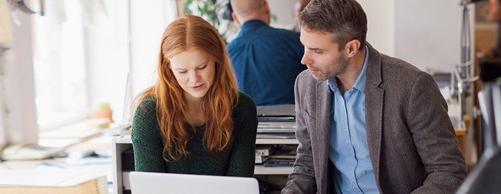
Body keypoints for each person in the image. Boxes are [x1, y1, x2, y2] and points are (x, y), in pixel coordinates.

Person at [282, 0, 467, 193]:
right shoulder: (306, 85)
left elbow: (448, 172)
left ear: (351, 48)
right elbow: (306, 164)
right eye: (304, 46)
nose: (304, 60)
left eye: (317, 51)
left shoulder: (412, 87)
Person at [131, 15, 258, 177]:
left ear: (217, 59)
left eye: (202, 67)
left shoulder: (242, 108)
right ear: (168, 68)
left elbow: (240, 183)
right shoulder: (148, 113)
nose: (194, 79)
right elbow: (149, 187)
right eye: (182, 71)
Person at [227, 0, 306, 105]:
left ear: (235, 18)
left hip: (247, 121)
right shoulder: (297, 41)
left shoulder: (225, 55)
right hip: (295, 118)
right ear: (266, 6)